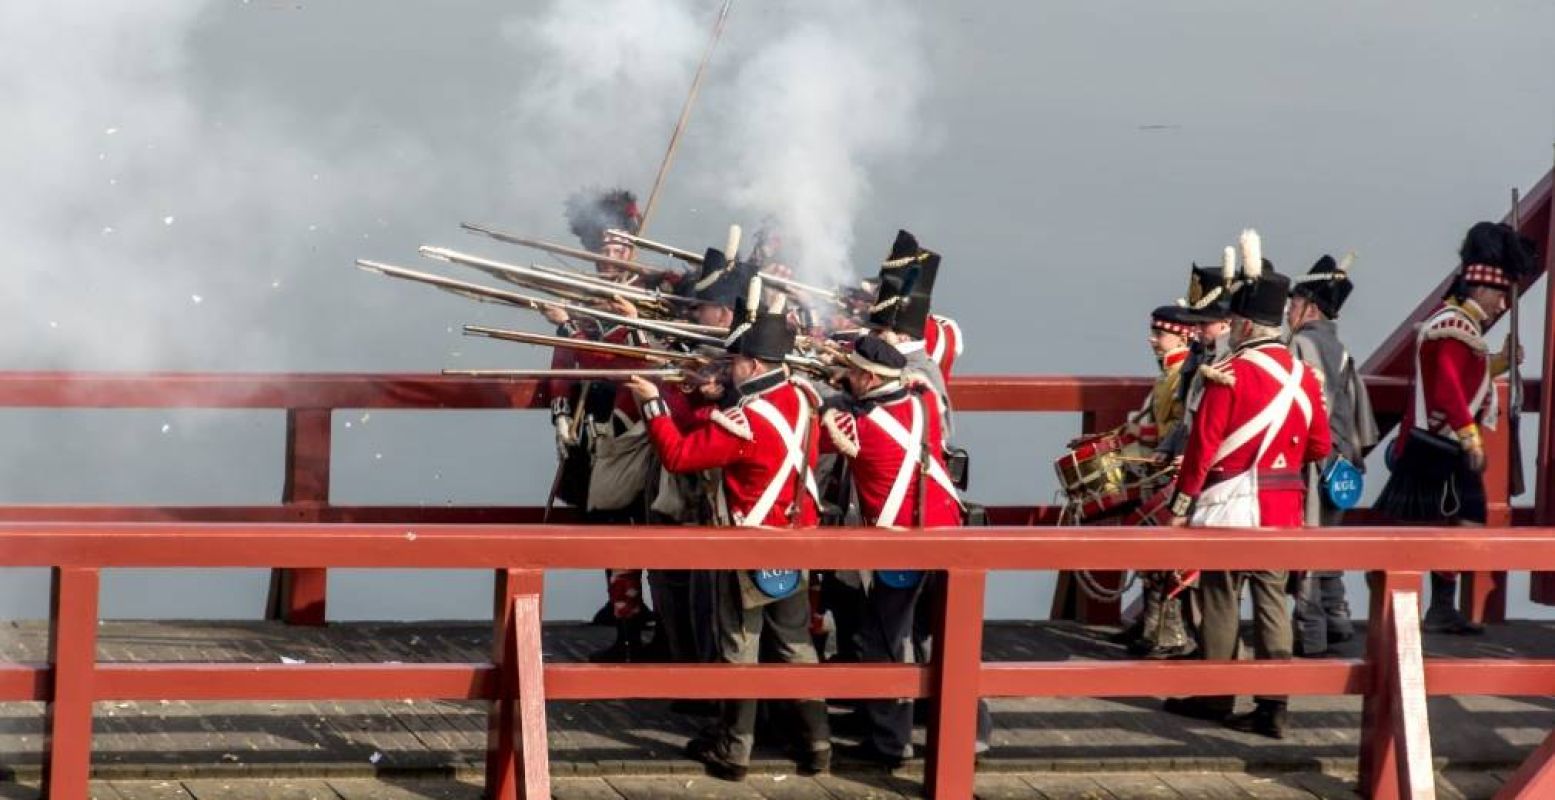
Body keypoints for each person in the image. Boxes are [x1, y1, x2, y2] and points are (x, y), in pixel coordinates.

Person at [626, 313, 831, 782]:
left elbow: (678, 457)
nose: (731, 368)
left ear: (755, 365)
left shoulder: (744, 422)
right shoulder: (802, 398)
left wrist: (654, 404)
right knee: (795, 646)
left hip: (748, 544)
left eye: (737, 361)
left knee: (739, 645)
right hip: (794, 537)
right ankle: (817, 745)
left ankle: (735, 750)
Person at [1162, 230, 1331, 740]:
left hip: (1227, 501)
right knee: (1273, 600)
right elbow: (1319, 446)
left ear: (1241, 324)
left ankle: (1217, 693)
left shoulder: (1228, 372)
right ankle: (1273, 704)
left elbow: (1203, 446)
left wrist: (1180, 504)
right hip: (1283, 507)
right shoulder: (1303, 377)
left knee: (1218, 596)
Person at [1376, 221, 1534, 634]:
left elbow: (1465, 377)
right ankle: (1405, 607)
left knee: (1459, 522)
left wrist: (1498, 361)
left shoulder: (1462, 330)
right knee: (1424, 530)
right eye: (1499, 294)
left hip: (1444, 444)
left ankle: (1436, 606)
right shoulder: (1454, 326)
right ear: (1481, 289)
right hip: (1439, 444)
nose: (1502, 304)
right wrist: (1469, 435)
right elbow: (1446, 388)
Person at [817, 335, 963, 767]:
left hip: (900, 542)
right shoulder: (923, 402)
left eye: (855, 374)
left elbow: (823, 422)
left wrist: (825, 390)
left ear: (866, 377)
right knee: (944, 641)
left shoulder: (856, 426)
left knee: (885, 641)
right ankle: (972, 738)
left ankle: (889, 743)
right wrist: (849, 382)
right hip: (947, 534)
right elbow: (914, 385)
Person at [542, 189, 658, 663]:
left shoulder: (651, 301)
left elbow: (616, 358)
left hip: (634, 430)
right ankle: (625, 611)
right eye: (605, 250)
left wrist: (573, 326)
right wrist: (560, 412)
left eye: (619, 249)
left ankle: (637, 620)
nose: (612, 257)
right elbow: (565, 365)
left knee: (635, 529)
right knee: (609, 528)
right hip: (595, 428)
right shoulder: (587, 298)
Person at [1286, 253, 1378, 655]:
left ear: (1311, 306)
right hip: (1340, 459)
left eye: (1294, 303)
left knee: (1307, 544)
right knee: (1329, 541)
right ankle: (1337, 618)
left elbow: (1301, 407)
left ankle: (1311, 633)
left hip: (1311, 460)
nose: (1288, 309)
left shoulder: (1301, 344)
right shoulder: (1338, 347)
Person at [1123, 305, 1198, 659]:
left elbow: (1170, 426)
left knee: (1166, 559)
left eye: (1160, 334)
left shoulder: (1178, 373)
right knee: (1156, 558)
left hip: (1169, 471)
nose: (1153, 340)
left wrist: (1133, 440)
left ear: (1183, 335)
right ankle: (1153, 628)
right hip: (1163, 466)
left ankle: (1169, 633)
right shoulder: (1172, 370)